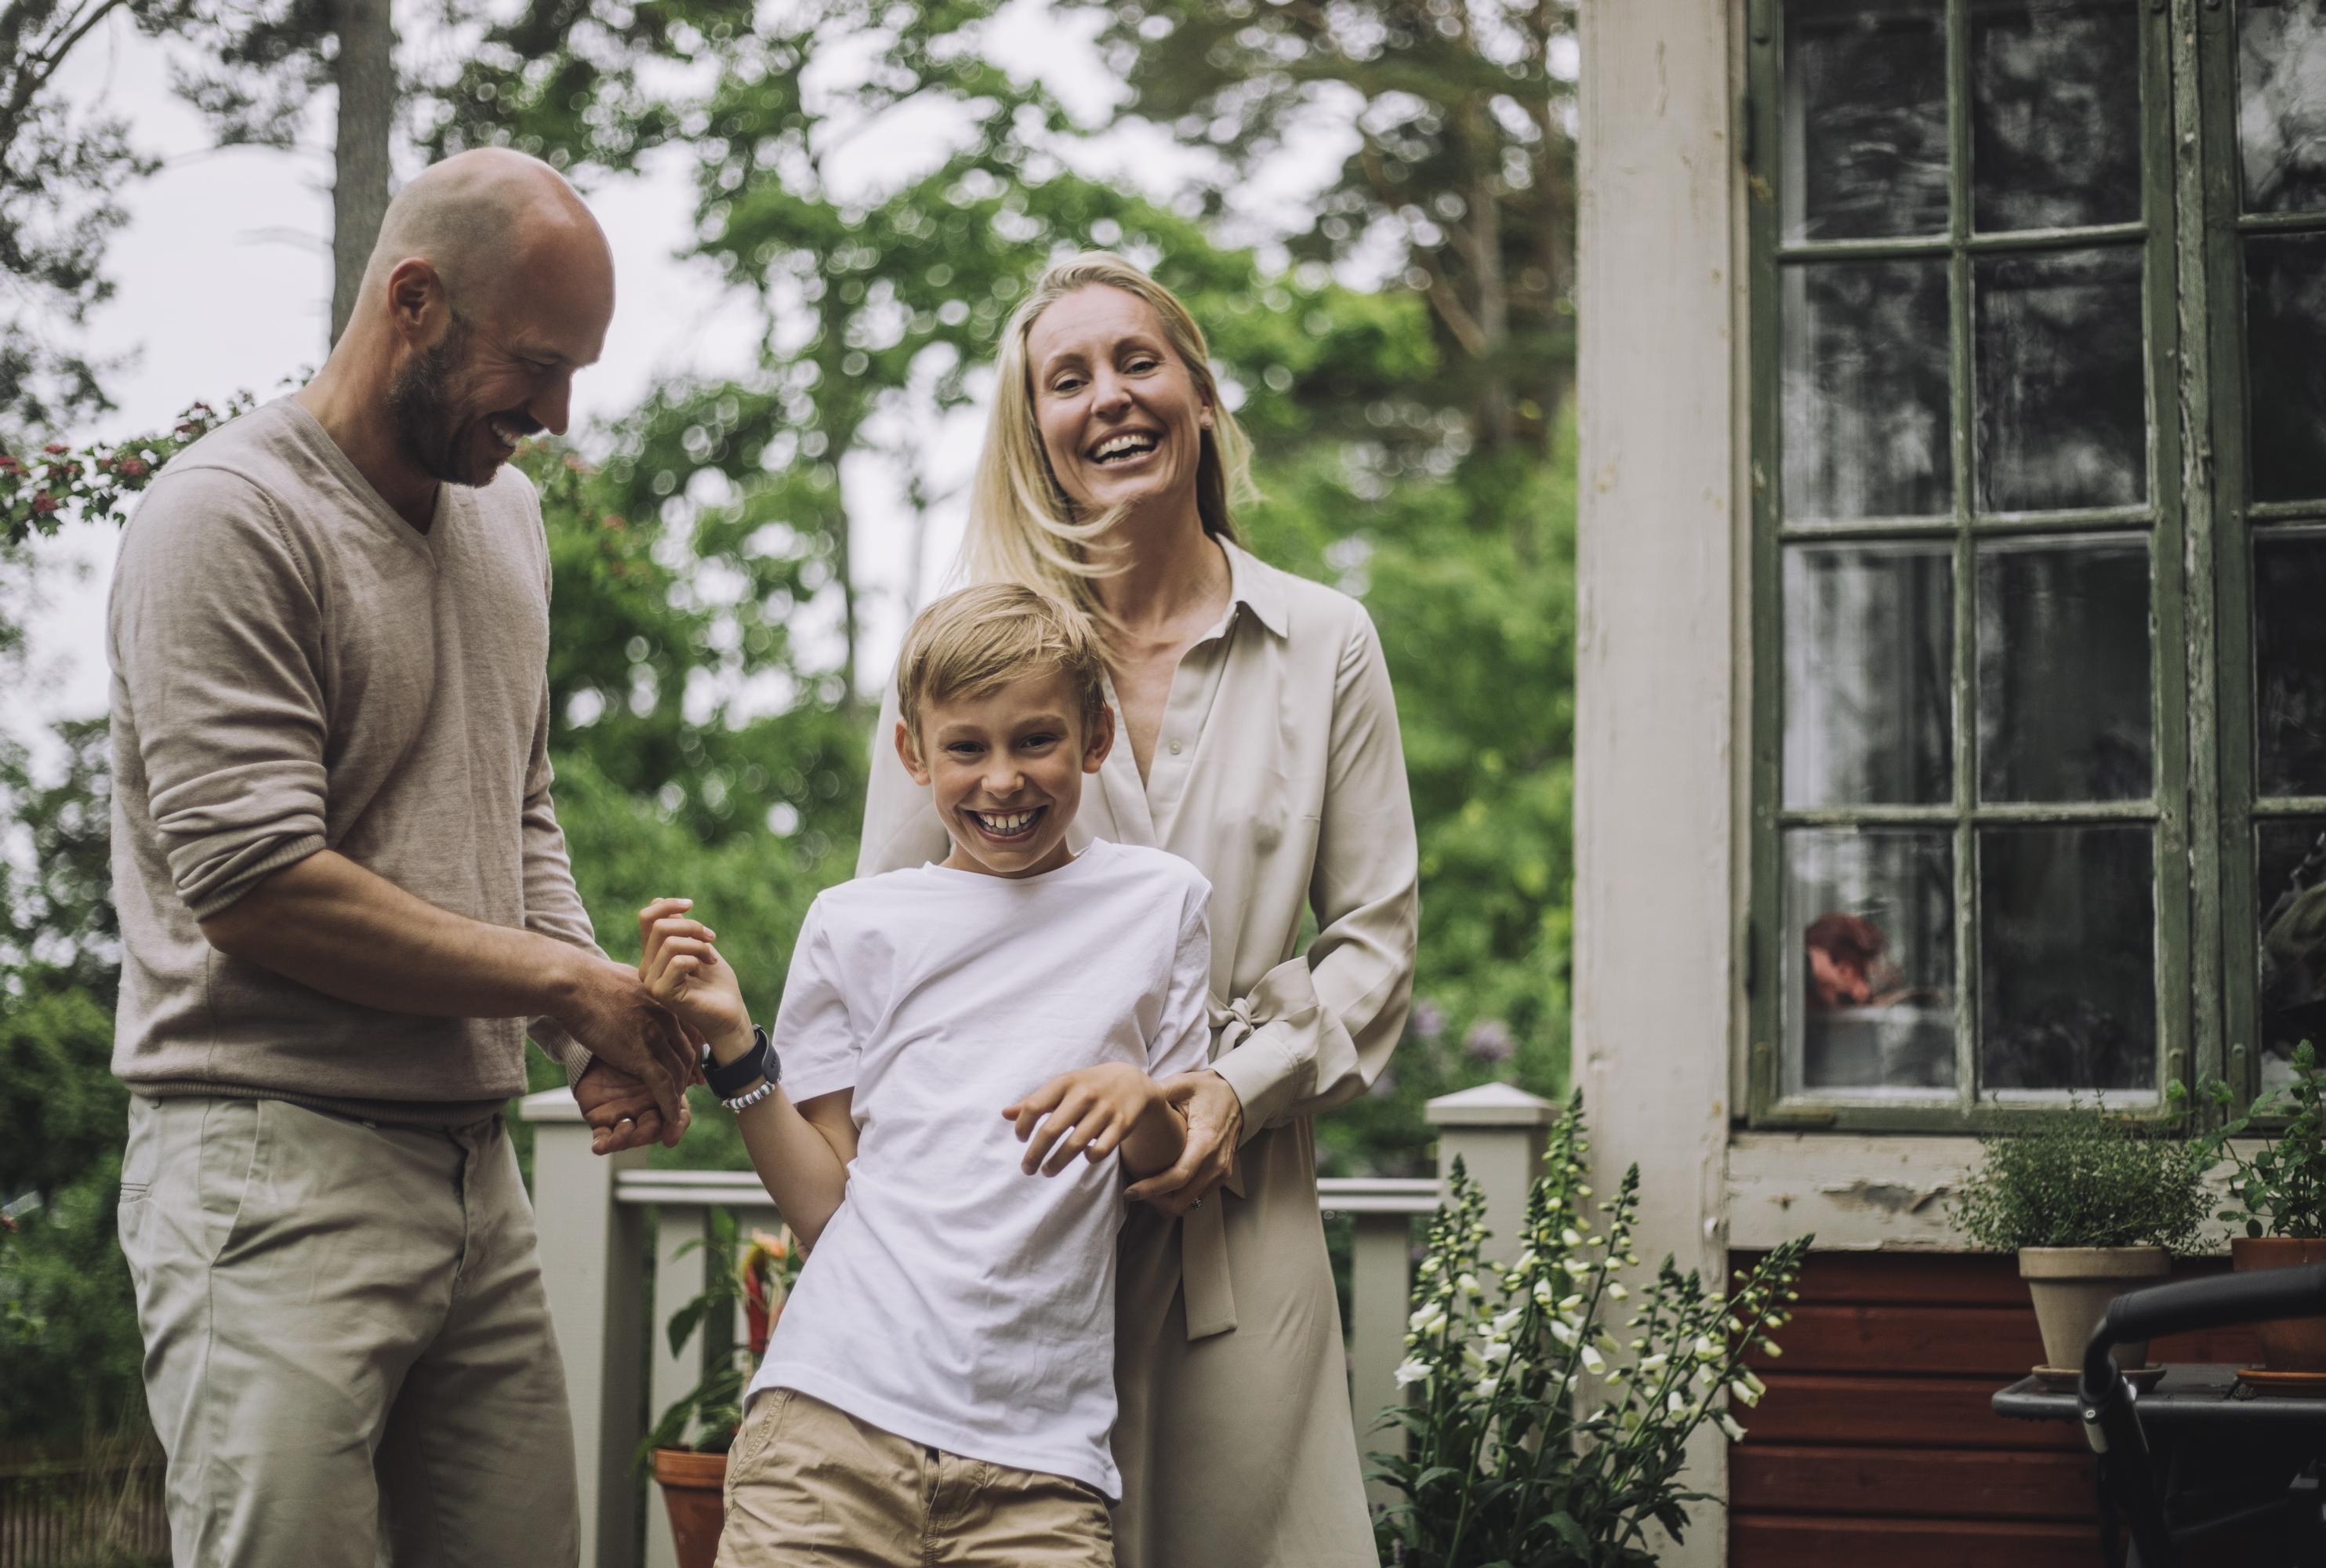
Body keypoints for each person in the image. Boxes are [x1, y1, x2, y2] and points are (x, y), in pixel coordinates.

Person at [108, 147, 696, 1568]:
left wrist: (587, 1032)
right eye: (538, 367)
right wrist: (569, 982)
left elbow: (519, 810)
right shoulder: (227, 518)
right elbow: (256, 890)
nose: (557, 418)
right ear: (415, 301)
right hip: (269, 1163)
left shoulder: (507, 516)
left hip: (470, 1173)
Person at [859, 253, 1419, 1567]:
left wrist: (1232, 1088)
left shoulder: (1325, 641)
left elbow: (1377, 947)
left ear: (1200, 395)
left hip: (1243, 1213)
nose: (1109, 398)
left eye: (1137, 362)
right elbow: (887, 934)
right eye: (1069, 378)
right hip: (1020, 1207)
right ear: (1037, 434)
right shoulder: (966, 652)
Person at [639, 583, 1212, 1566]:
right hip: (830, 1426)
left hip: (1038, 1467)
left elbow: (1173, 1170)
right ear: (914, 753)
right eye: (966, 747)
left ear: (1096, 737)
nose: (1003, 780)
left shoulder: (1162, 905)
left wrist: (1144, 1103)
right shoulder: (854, 923)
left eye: (1037, 740)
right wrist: (734, 1040)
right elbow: (827, 1206)